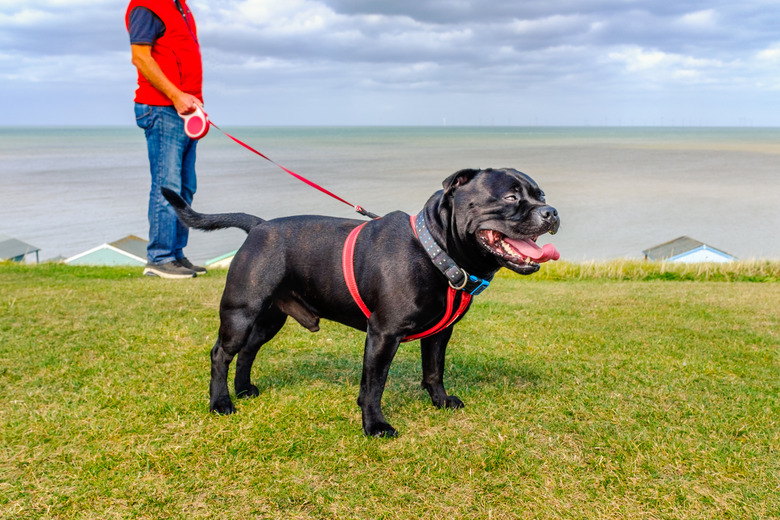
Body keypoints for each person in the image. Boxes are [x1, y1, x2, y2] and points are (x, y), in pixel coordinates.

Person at [125, 0, 207, 278]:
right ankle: (159, 258)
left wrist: (192, 103)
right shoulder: (148, 5)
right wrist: (176, 95)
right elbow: (140, 57)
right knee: (167, 184)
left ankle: (175, 255)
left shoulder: (179, 7)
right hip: (162, 109)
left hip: (184, 110)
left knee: (186, 187)